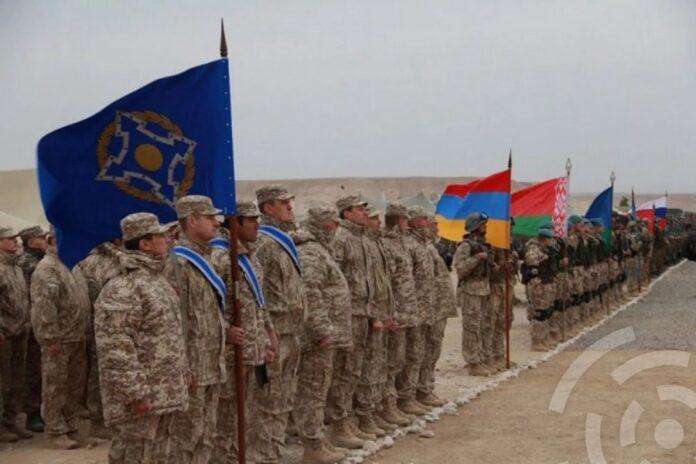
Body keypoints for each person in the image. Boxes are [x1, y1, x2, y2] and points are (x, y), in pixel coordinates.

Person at [94, 213, 189, 464]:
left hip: (164, 393)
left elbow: (169, 334)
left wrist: (182, 374)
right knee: (134, 455)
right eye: (160, 235)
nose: (168, 239)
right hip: (142, 398)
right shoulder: (124, 286)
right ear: (145, 244)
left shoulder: (156, 280)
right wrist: (134, 393)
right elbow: (115, 345)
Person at [209, 201, 276, 464]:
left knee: (245, 411)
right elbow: (209, 306)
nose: (258, 224)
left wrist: (267, 333)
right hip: (230, 353)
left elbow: (258, 301)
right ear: (234, 223)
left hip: (251, 348)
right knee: (225, 417)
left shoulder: (248, 255)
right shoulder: (220, 258)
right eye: (251, 220)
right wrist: (225, 331)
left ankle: (238, 456)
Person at [165, 195, 228, 464]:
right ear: (192, 220)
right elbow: (173, 321)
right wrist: (182, 366)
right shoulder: (177, 263)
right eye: (210, 217)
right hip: (192, 366)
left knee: (207, 434)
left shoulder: (206, 258)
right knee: (186, 438)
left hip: (211, 362)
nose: (217, 222)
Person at [251, 185, 302, 464]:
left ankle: (275, 448)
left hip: (291, 330)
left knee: (285, 393)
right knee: (269, 395)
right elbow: (256, 292)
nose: (290, 207)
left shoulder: (285, 240)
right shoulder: (263, 242)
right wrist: (264, 332)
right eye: (283, 203)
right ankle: (264, 452)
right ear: (268, 207)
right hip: (275, 332)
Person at [293, 205, 346, 463]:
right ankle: (312, 446)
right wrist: (322, 330)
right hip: (316, 338)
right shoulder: (311, 252)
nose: (336, 227)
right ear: (322, 225)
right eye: (332, 223)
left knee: (318, 388)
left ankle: (317, 440)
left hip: (324, 334)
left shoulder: (321, 249)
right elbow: (310, 294)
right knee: (312, 390)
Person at [30, 227, 90, 449]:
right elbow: (44, 307)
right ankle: (56, 431)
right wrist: (50, 338)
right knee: (55, 387)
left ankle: (71, 427)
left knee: (74, 385)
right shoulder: (47, 269)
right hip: (59, 340)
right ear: (53, 240)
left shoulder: (71, 265)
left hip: (76, 336)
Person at [330, 194, 379, 443]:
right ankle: (339, 425)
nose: (365, 213)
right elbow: (334, 280)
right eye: (360, 209)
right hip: (348, 315)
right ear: (346, 213)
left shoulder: (362, 239)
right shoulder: (340, 238)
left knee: (356, 371)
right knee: (344, 372)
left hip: (364, 313)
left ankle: (350, 420)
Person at [77, 239, 124, 439]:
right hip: (104, 325)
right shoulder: (97, 262)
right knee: (99, 373)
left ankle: (111, 418)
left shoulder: (122, 259)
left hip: (115, 326)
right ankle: (98, 420)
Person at [378, 202, 421, 420]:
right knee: (392, 361)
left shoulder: (401, 242)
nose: (407, 223)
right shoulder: (387, 244)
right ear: (397, 220)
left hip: (408, 311)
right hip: (396, 313)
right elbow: (386, 283)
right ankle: (388, 405)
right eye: (404, 219)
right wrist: (389, 313)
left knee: (403, 358)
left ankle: (403, 400)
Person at [360, 206, 394, 434]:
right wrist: (374, 316)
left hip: (381, 313)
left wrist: (388, 312)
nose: (378, 222)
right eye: (373, 218)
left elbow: (384, 284)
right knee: (366, 368)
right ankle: (365, 415)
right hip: (365, 315)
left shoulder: (375, 244)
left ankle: (376, 410)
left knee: (380, 364)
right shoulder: (358, 242)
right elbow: (363, 284)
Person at [398, 206, 436, 407]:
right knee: (411, 354)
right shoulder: (409, 245)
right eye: (423, 219)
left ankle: (418, 391)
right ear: (412, 222)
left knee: (422, 352)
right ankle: (407, 396)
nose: (427, 223)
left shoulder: (423, 245)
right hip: (413, 310)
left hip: (425, 308)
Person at [418, 215, 457, 402]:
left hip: (439, 307)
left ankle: (426, 387)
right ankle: (422, 389)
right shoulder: (422, 248)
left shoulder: (431, 247)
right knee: (426, 350)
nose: (437, 226)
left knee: (433, 349)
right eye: (433, 223)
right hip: (429, 308)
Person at [452, 212, 495, 376]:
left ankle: (481, 357)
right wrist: (477, 258)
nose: (486, 227)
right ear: (476, 227)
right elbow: (460, 269)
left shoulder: (483, 245)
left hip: (484, 289)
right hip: (471, 290)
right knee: (472, 326)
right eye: (483, 225)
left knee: (484, 325)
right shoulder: (465, 246)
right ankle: (473, 362)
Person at [0, 226, 32, 439]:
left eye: (16, 238)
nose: (16, 242)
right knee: (3, 380)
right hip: (5, 332)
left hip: (20, 330)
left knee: (17, 379)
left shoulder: (16, 267)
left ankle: (12, 420)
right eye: (10, 239)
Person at [16, 225, 47, 433]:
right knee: (33, 370)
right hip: (30, 322)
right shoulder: (27, 263)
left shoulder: (40, 260)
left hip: (39, 321)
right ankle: (32, 413)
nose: (44, 240)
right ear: (30, 242)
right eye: (39, 238)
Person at [522, 225, 558, 351]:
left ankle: (544, 338)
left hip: (545, 282)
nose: (551, 241)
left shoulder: (545, 248)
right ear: (544, 239)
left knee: (547, 311)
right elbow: (531, 260)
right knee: (539, 313)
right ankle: (536, 341)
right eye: (549, 239)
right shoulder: (533, 248)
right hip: (537, 284)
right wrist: (545, 256)